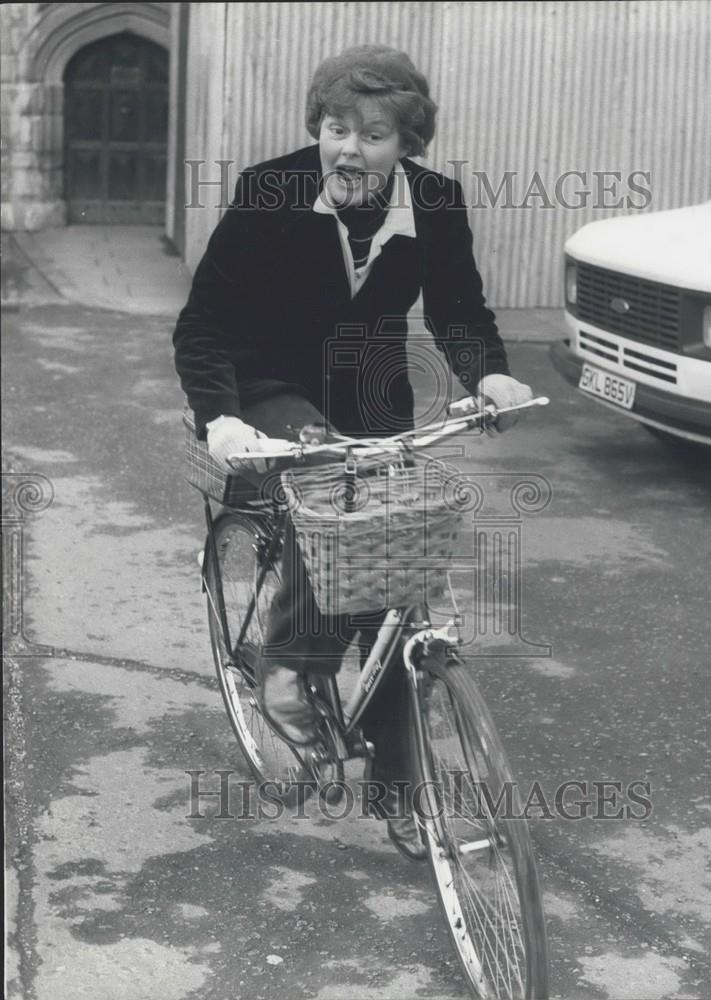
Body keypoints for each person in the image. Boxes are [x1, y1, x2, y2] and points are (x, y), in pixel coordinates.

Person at [173, 44, 531, 857]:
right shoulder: (272, 191)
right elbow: (202, 324)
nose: (349, 150)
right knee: (337, 491)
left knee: (391, 586)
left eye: (373, 135)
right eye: (337, 128)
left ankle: (403, 790)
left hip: (372, 401)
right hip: (267, 390)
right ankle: (287, 668)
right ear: (318, 127)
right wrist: (219, 416)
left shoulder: (435, 203)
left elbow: (461, 311)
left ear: (407, 144)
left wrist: (495, 378)